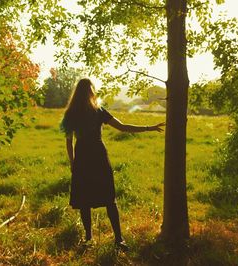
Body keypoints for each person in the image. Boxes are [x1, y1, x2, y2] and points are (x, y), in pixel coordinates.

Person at [60, 78, 164, 250]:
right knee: (109, 199)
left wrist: (73, 163)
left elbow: (69, 142)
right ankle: (119, 239)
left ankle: (89, 238)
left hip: (83, 158)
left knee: (85, 200)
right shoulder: (98, 111)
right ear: (91, 92)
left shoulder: (72, 113)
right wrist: (148, 128)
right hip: (99, 156)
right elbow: (122, 127)